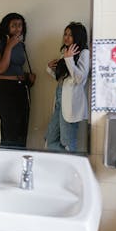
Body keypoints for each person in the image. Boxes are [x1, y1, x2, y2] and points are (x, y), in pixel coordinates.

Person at [0, 12, 35, 147]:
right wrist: (9, 46)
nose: (17, 29)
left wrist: (27, 77)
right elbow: (0, 69)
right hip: (6, 89)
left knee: (22, 130)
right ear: (6, 27)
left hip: (21, 88)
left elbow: (16, 67)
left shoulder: (21, 44)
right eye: (14, 25)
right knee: (9, 132)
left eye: (20, 26)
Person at [45, 22, 90, 152]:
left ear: (78, 36)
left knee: (67, 142)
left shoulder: (84, 53)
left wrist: (69, 59)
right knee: (50, 138)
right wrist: (49, 69)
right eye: (65, 34)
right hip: (60, 101)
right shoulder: (65, 52)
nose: (67, 37)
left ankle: (70, 163)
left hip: (71, 104)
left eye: (71, 35)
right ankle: (62, 162)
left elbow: (79, 79)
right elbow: (63, 80)